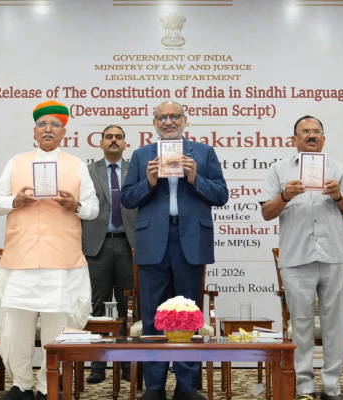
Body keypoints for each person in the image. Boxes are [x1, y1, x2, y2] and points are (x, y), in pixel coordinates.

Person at [0, 100, 98, 400]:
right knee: (17, 326)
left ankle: (46, 385)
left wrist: (74, 205)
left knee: (57, 327)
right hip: (20, 257)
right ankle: (21, 384)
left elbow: (93, 208)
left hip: (61, 260)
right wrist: (15, 201)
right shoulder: (16, 162)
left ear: (64, 133)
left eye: (55, 124)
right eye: (42, 124)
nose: (48, 129)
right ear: (34, 132)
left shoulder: (77, 165)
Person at [121, 101, 228, 400]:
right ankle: (155, 387)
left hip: (191, 239)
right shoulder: (142, 155)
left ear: (185, 120)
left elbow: (221, 195)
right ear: (154, 123)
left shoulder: (203, 153)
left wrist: (195, 179)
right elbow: (127, 199)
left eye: (174, 117)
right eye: (162, 118)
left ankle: (187, 386)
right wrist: (148, 182)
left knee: (188, 314)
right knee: (153, 314)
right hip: (152, 240)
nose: (168, 122)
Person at [261, 115, 343, 400]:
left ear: (324, 139)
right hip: (297, 258)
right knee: (301, 324)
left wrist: (338, 195)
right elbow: (266, 213)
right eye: (305, 132)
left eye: (316, 131)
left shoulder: (338, 169)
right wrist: (285, 195)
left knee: (336, 323)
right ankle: (305, 386)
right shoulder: (278, 169)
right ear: (294, 139)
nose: (311, 135)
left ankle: (331, 387)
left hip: (335, 257)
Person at [82, 125, 137, 384]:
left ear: (125, 144)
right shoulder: (87, 171)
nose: (114, 140)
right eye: (109, 137)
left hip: (129, 245)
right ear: (101, 143)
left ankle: (127, 365)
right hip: (98, 246)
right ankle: (98, 366)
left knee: (127, 306)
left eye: (119, 137)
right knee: (98, 306)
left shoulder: (135, 170)